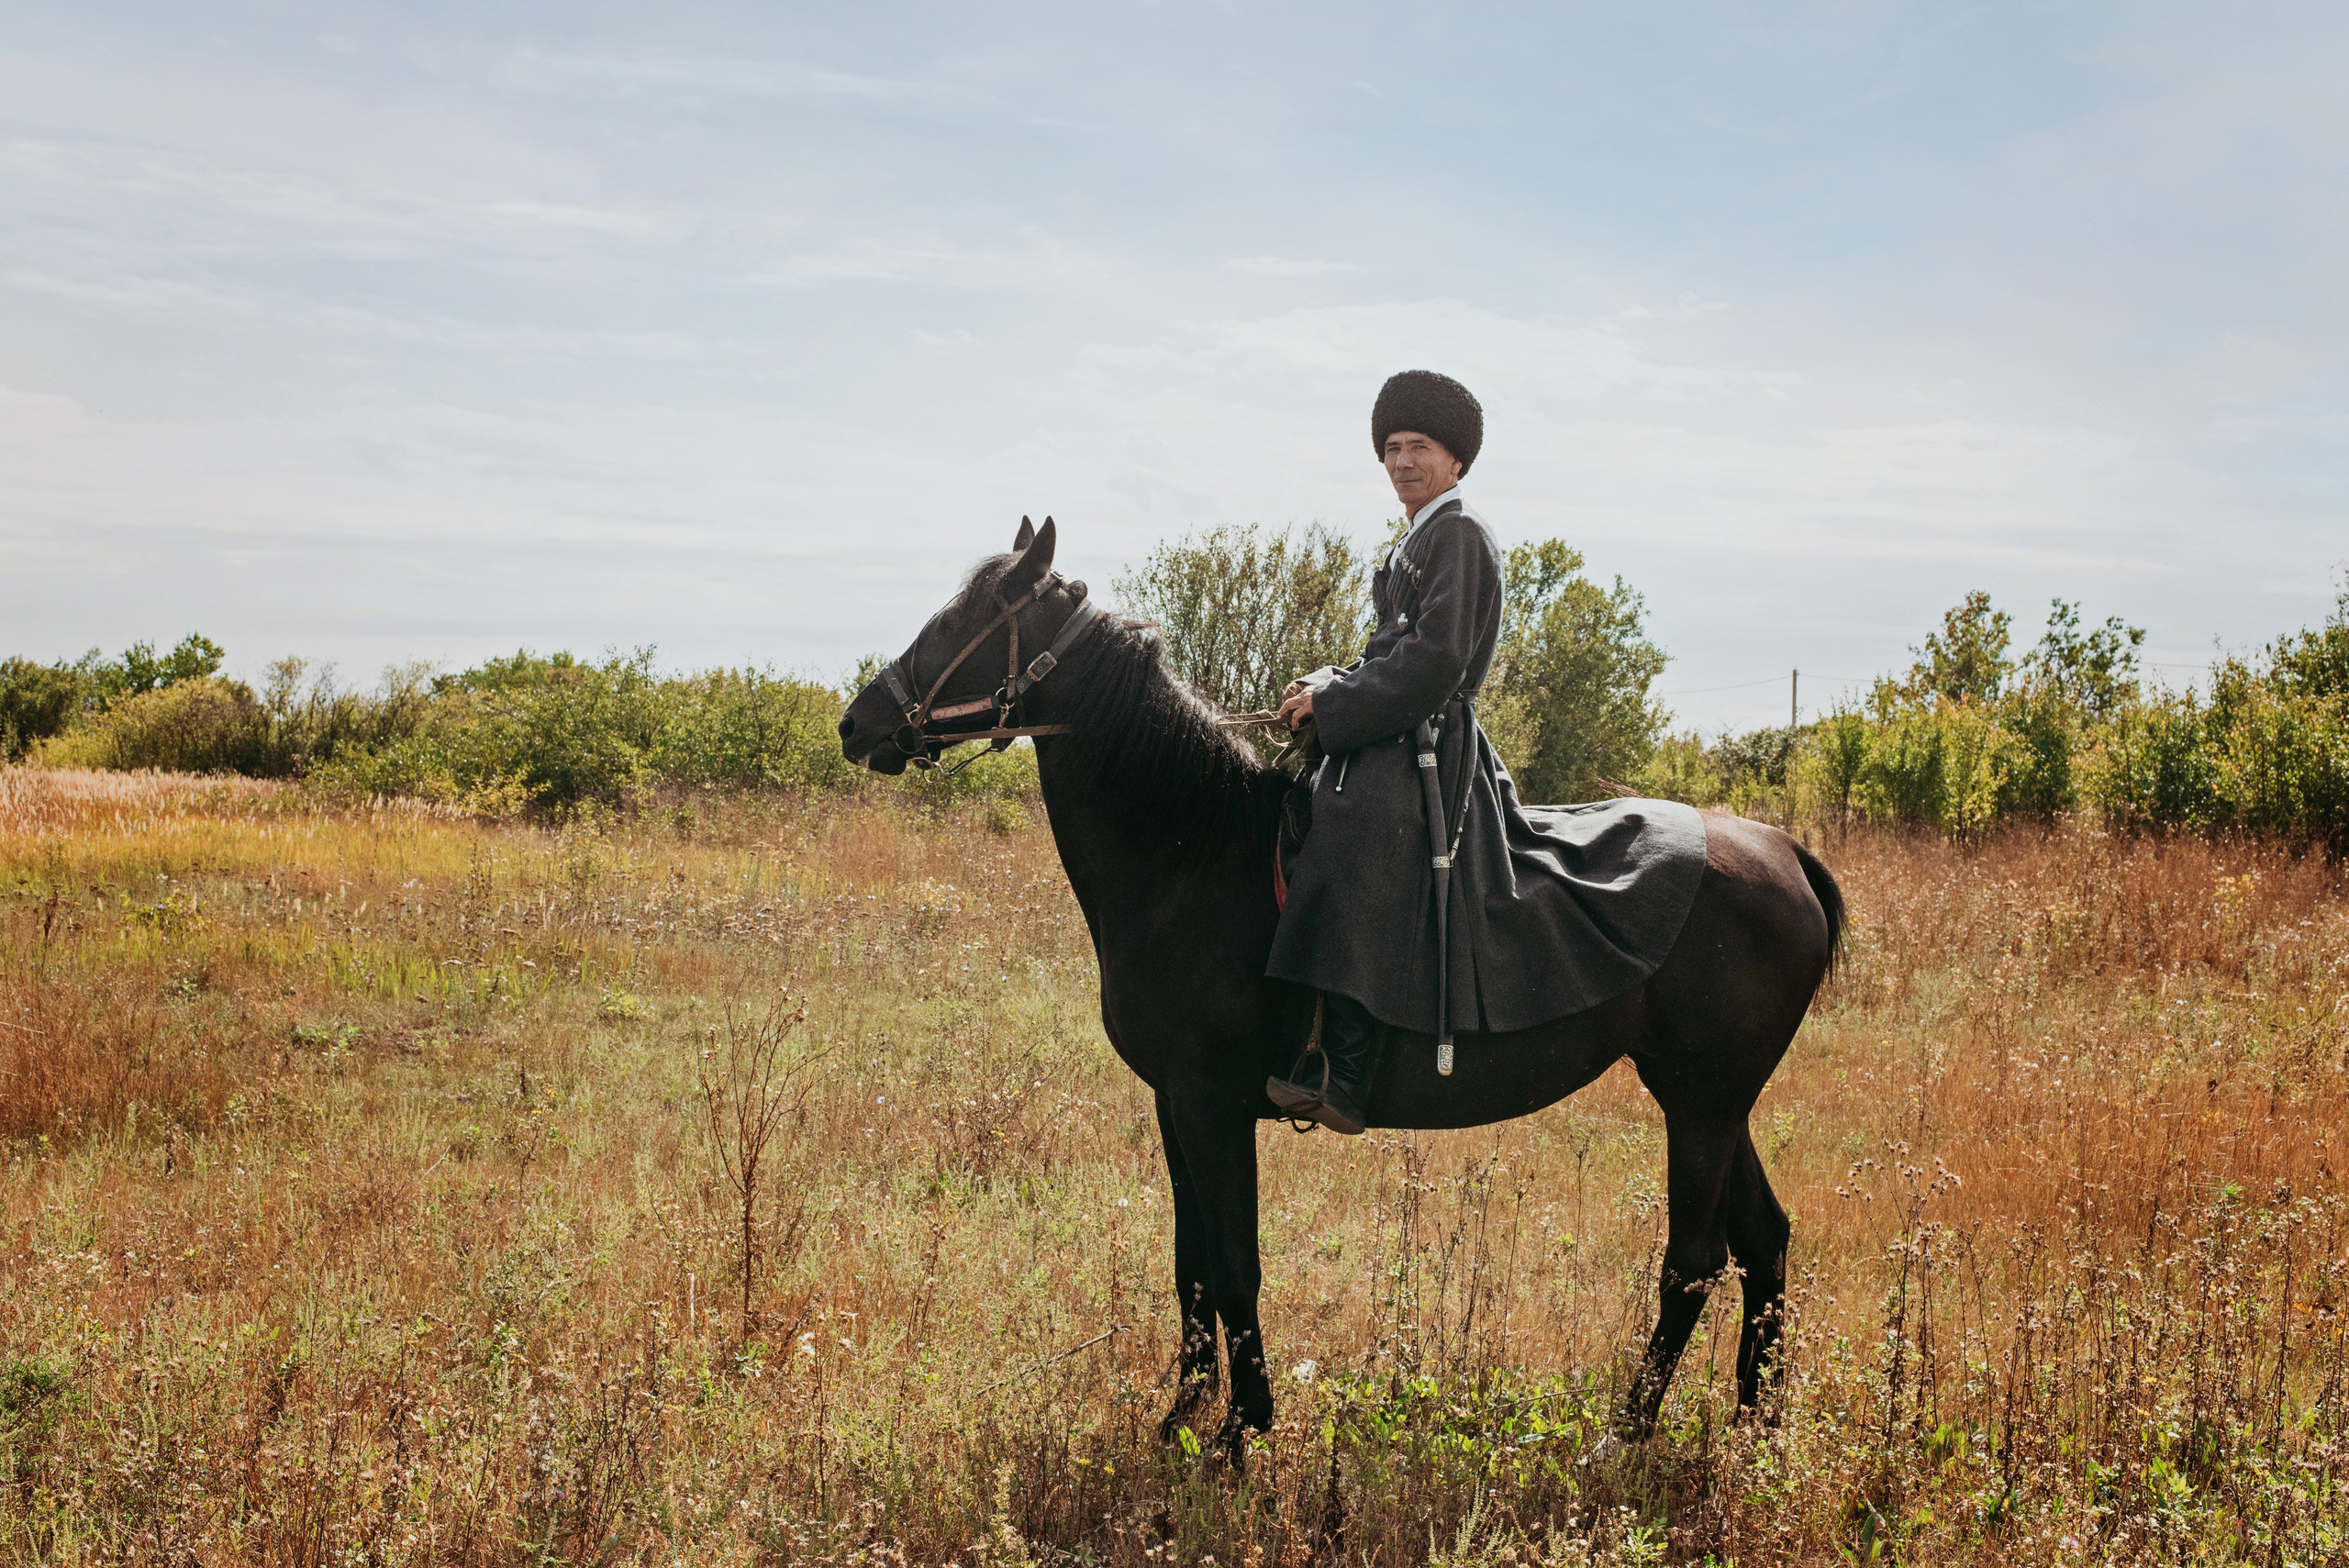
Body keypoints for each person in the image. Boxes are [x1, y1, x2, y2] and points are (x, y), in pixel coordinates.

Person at [1264, 369, 1502, 1134]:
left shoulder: (1458, 536)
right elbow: (1383, 654)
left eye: (1420, 447)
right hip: (1401, 733)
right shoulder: (1417, 538)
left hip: (1431, 748)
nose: (1402, 461)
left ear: (1455, 459)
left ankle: (1349, 1071)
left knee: (1355, 830)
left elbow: (1434, 663)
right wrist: (1323, 684)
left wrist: (1335, 707)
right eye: (1392, 447)